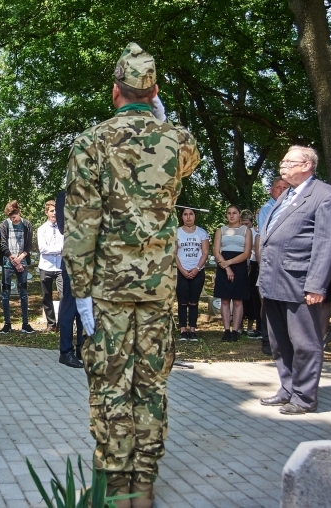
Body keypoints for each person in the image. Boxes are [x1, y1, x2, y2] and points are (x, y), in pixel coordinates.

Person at [64, 42, 200, 507]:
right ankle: (144, 487)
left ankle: (114, 489)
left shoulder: (92, 142)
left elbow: (82, 225)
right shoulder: (176, 140)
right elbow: (190, 154)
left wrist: (79, 293)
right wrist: (159, 115)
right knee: (151, 386)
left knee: (110, 386)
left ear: (113, 91)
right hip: (159, 290)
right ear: (155, 90)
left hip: (108, 291)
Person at [258, 146, 331, 415]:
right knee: (279, 341)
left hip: (299, 282)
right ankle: (288, 389)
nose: (282, 165)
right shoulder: (287, 195)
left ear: (306, 165)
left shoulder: (324, 195)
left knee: (305, 343)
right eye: (282, 161)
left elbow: (327, 243)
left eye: (288, 161)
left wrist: (317, 285)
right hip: (273, 281)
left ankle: (305, 398)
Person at [212, 205, 252, 342]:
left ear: (239, 214)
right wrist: (226, 266)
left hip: (239, 265)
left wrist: (229, 263)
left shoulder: (246, 230)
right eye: (229, 213)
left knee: (237, 300)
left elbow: (246, 253)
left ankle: (235, 330)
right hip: (223, 265)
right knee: (224, 299)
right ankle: (226, 330)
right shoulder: (220, 230)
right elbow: (216, 252)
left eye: (234, 213)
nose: (231, 215)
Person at [0, 200, 36, 334]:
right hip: (8, 263)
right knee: (6, 293)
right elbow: (2, 245)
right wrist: (13, 259)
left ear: (19, 213)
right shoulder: (3, 225)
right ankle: (7, 324)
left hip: (22, 262)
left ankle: (25, 324)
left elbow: (29, 245)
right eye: (10, 217)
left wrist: (20, 259)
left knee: (24, 293)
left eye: (14, 217)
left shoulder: (27, 225)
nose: (12, 219)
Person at [55, 190, 84, 368]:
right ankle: (65, 351)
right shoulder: (64, 196)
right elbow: (63, 226)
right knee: (70, 306)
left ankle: (82, 347)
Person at [174, 208, 209, 342]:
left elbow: (205, 252)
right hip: (181, 271)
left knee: (194, 302)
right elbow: (174, 253)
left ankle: (193, 330)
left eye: (191, 214)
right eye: (185, 214)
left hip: (197, 272)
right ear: (182, 216)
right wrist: (182, 270)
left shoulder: (201, 232)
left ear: (195, 216)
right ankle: (183, 330)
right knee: (182, 302)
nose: (188, 217)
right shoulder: (177, 232)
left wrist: (197, 268)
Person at [37, 200, 63, 333]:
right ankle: (51, 324)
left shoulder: (64, 228)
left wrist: (56, 249)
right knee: (46, 296)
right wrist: (60, 249)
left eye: (56, 210)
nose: (55, 213)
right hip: (46, 266)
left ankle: (63, 323)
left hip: (60, 268)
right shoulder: (42, 229)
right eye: (52, 211)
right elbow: (43, 249)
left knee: (63, 296)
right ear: (47, 212)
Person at [241, 210, 261, 337]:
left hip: (254, 264)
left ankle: (255, 325)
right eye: (242, 223)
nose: (245, 226)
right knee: (244, 297)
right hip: (243, 265)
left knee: (255, 297)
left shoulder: (256, 233)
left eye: (247, 224)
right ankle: (240, 326)